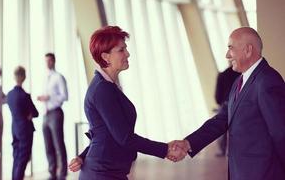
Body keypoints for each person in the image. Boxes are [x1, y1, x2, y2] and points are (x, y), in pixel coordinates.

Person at [68, 26, 186, 180]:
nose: (127, 54)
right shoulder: (103, 89)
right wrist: (164, 149)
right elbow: (124, 137)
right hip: (102, 173)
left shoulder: (106, 85)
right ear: (106, 56)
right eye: (121, 50)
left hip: (108, 170)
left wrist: (83, 156)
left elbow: (102, 132)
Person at [173, 27, 285, 180]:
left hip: (263, 174)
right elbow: (221, 120)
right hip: (242, 173)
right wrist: (188, 143)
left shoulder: (267, 81)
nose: (227, 55)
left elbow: (280, 133)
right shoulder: (239, 81)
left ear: (247, 50)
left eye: (230, 48)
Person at [37, 53, 68, 180]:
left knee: (58, 143)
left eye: (49, 60)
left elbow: (65, 96)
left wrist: (49, 97)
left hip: (56, 113)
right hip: (46, 113)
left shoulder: (59, 77)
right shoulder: (45, 78)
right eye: (46, 61)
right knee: (48, 144)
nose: (47, 63)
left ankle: (62, 173)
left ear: (54, 61)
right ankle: (52, 172)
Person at [7, 66, 39, 180]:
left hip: (15, 129)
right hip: (25, 129)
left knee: (16, 157)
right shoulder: (25, 96)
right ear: (24, 77)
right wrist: (29, 114)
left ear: (14, 77)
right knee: (23, 158)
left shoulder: (9, 95)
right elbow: (36, 113)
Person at [214, 65, 240, 156]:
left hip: (225, 102)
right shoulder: (242, 75)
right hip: (239, 103)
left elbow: (218, 93)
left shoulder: (223, 75)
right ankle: (234, 150)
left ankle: (222, 150)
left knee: (221, 127)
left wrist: (220, 102)